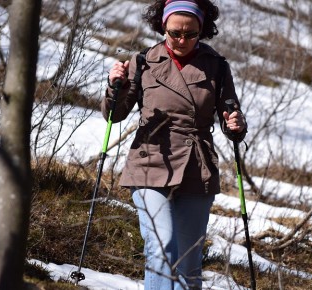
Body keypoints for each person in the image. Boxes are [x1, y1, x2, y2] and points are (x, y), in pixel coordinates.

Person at [101, 0, 247, 289]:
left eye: (190, 34)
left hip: (197, 167)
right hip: (150, 163)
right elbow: (114, 115)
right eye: (174, 33)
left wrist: (236, 125)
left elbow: (231, 117)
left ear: (202, 29)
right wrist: (114, 85)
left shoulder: (216, 66)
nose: (182, 40)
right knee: (162, 246)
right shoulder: (143, 61)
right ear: (162, 27)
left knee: (188, 263)